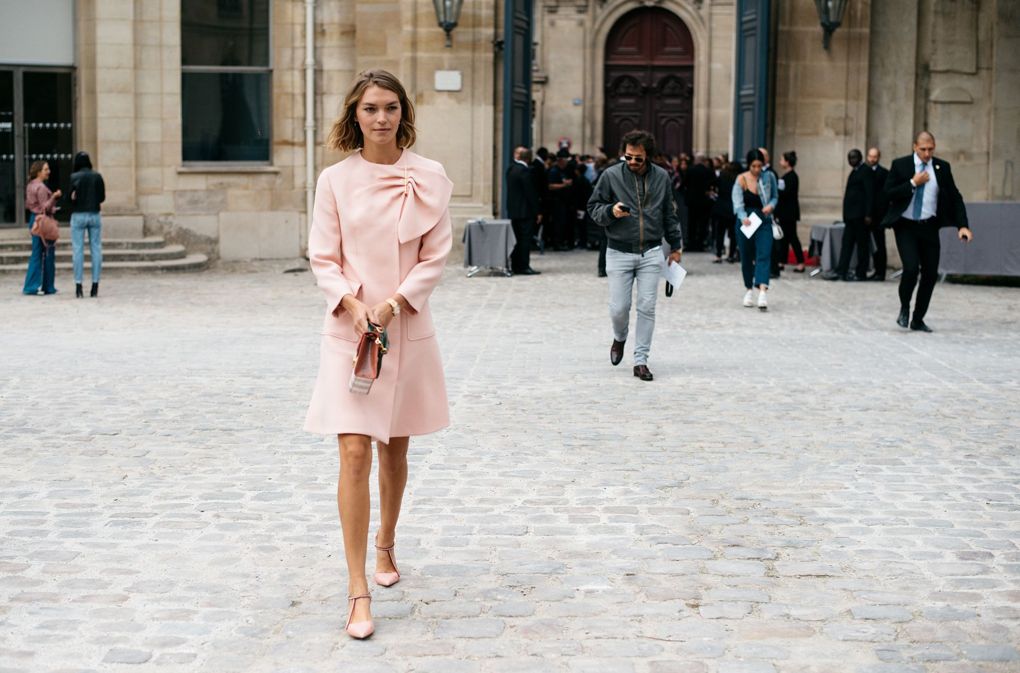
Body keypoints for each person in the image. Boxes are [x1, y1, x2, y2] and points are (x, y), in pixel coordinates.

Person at [304, 69, 453, 639]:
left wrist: (392, 305)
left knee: (394, 452)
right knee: (353, 454)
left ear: (404, 112)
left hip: (405, 330)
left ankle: (386, 542)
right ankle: (357, 587)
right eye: (370, 108)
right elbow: (323, 256)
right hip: (350, 334)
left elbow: (435, 257)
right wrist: (351, 303)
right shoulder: (334, 180)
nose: (381, 118)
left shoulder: (431, 177)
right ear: (355, 115)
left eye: (390, 107)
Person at [587, 129, 683, 382]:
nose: (631, 162)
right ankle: (620, 337)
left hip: (651, 251)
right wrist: (610, 211)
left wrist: (676, 246)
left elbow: (669, 214)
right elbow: (593, 207)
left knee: (647, 307)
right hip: (618, 251)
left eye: (638, 158)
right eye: (628, 157)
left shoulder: (662, 177)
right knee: (619, 308)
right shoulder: (610, 176)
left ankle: (641, 360)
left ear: (648, 157)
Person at [882, 130, 972, 332]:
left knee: (930, 274)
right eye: (923, 149)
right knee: (911, 269)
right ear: (915, 146)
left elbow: (955, 197)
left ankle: (918, 318)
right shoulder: (901, 165)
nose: (927, 153)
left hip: (929, 226)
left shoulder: (942, 167)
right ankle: (904, 307)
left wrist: (963, 226)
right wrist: (913, 183)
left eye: (930, 149)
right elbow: (887, 193)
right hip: (906, 226)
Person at [732, 149, 776, 310]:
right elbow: (737, 202)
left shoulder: (769, 177)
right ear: (748, 165)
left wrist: (771, 206)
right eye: (754, 166)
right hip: (746, 222)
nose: (757, 169)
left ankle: (763, 291)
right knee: (746, 256)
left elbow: (775, 197)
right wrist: (743, 216)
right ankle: (749, 289)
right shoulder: (741, 179)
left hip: (764, 221)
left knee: (764, 254)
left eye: (760, 166)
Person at [827, 149, 874, 282]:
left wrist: (868, 214)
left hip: (861, 216)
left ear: (860, 158)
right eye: (849, 158)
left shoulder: (866, 171)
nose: (851, 160)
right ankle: (841, 270)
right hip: (851, 217)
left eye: (854, 158)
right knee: (846, 244)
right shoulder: (854, 172)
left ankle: (861, 273)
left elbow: (870, 194)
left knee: (862, 246)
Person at [69, 151, 106, 297]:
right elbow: (102, 197)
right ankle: (95, 284)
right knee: (96, 249)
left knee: (78, 250)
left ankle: (78, 285)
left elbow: (69, 198)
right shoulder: (97, 176)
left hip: (78, 214)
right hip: (94, 214)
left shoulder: (74, 177)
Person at [22, 160, 61, 296]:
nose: (48, 171)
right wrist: (55, 197)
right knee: (48, 253)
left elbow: (30, 204)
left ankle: (31, 285)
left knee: (36, 252)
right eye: (46, 169)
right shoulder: (42, 187)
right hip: (43, 220)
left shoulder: (30, 185)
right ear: (39, 172)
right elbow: (45, 207)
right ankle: (47, 286)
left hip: (34, 219)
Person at [505, 146, 541, 275]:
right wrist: (537, 211)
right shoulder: (524, 171)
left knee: (517, 240)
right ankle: (523, 266)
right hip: (526, 212)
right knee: (525, 240)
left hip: (514, 212)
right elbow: (530, 194)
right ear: (528, 158)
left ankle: (515, 265)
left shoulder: (511, 169)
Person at [774, 151, 805, 273]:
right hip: (785, 212)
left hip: (789, 212)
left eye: (782, 160)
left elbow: (787, 194)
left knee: (792, 237)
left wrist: (776, 191)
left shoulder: (792, 176)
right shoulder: (787, 176)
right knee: (784, 238)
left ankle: (801, 262)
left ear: (787, 162)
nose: (780, 162)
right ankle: (782, 261)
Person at [866, 147, 889, 281]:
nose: (872, 159)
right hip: (868, 215)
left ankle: (881, 272)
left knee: (880, 244)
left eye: (874, 157)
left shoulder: (884, 173)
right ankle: (875, 269)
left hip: (879, 216)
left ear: (879, 157)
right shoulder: (865, 171)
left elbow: (885, 196)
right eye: (870, 156)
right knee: (872, 244)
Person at [710, 161, 739, 263]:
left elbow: (713, 184)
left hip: (721, 207)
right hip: (733, 208)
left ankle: (718, 255)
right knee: (733, 233)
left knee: (720, 232)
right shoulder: (738, 178)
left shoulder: (722, 175)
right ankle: (731, 255)